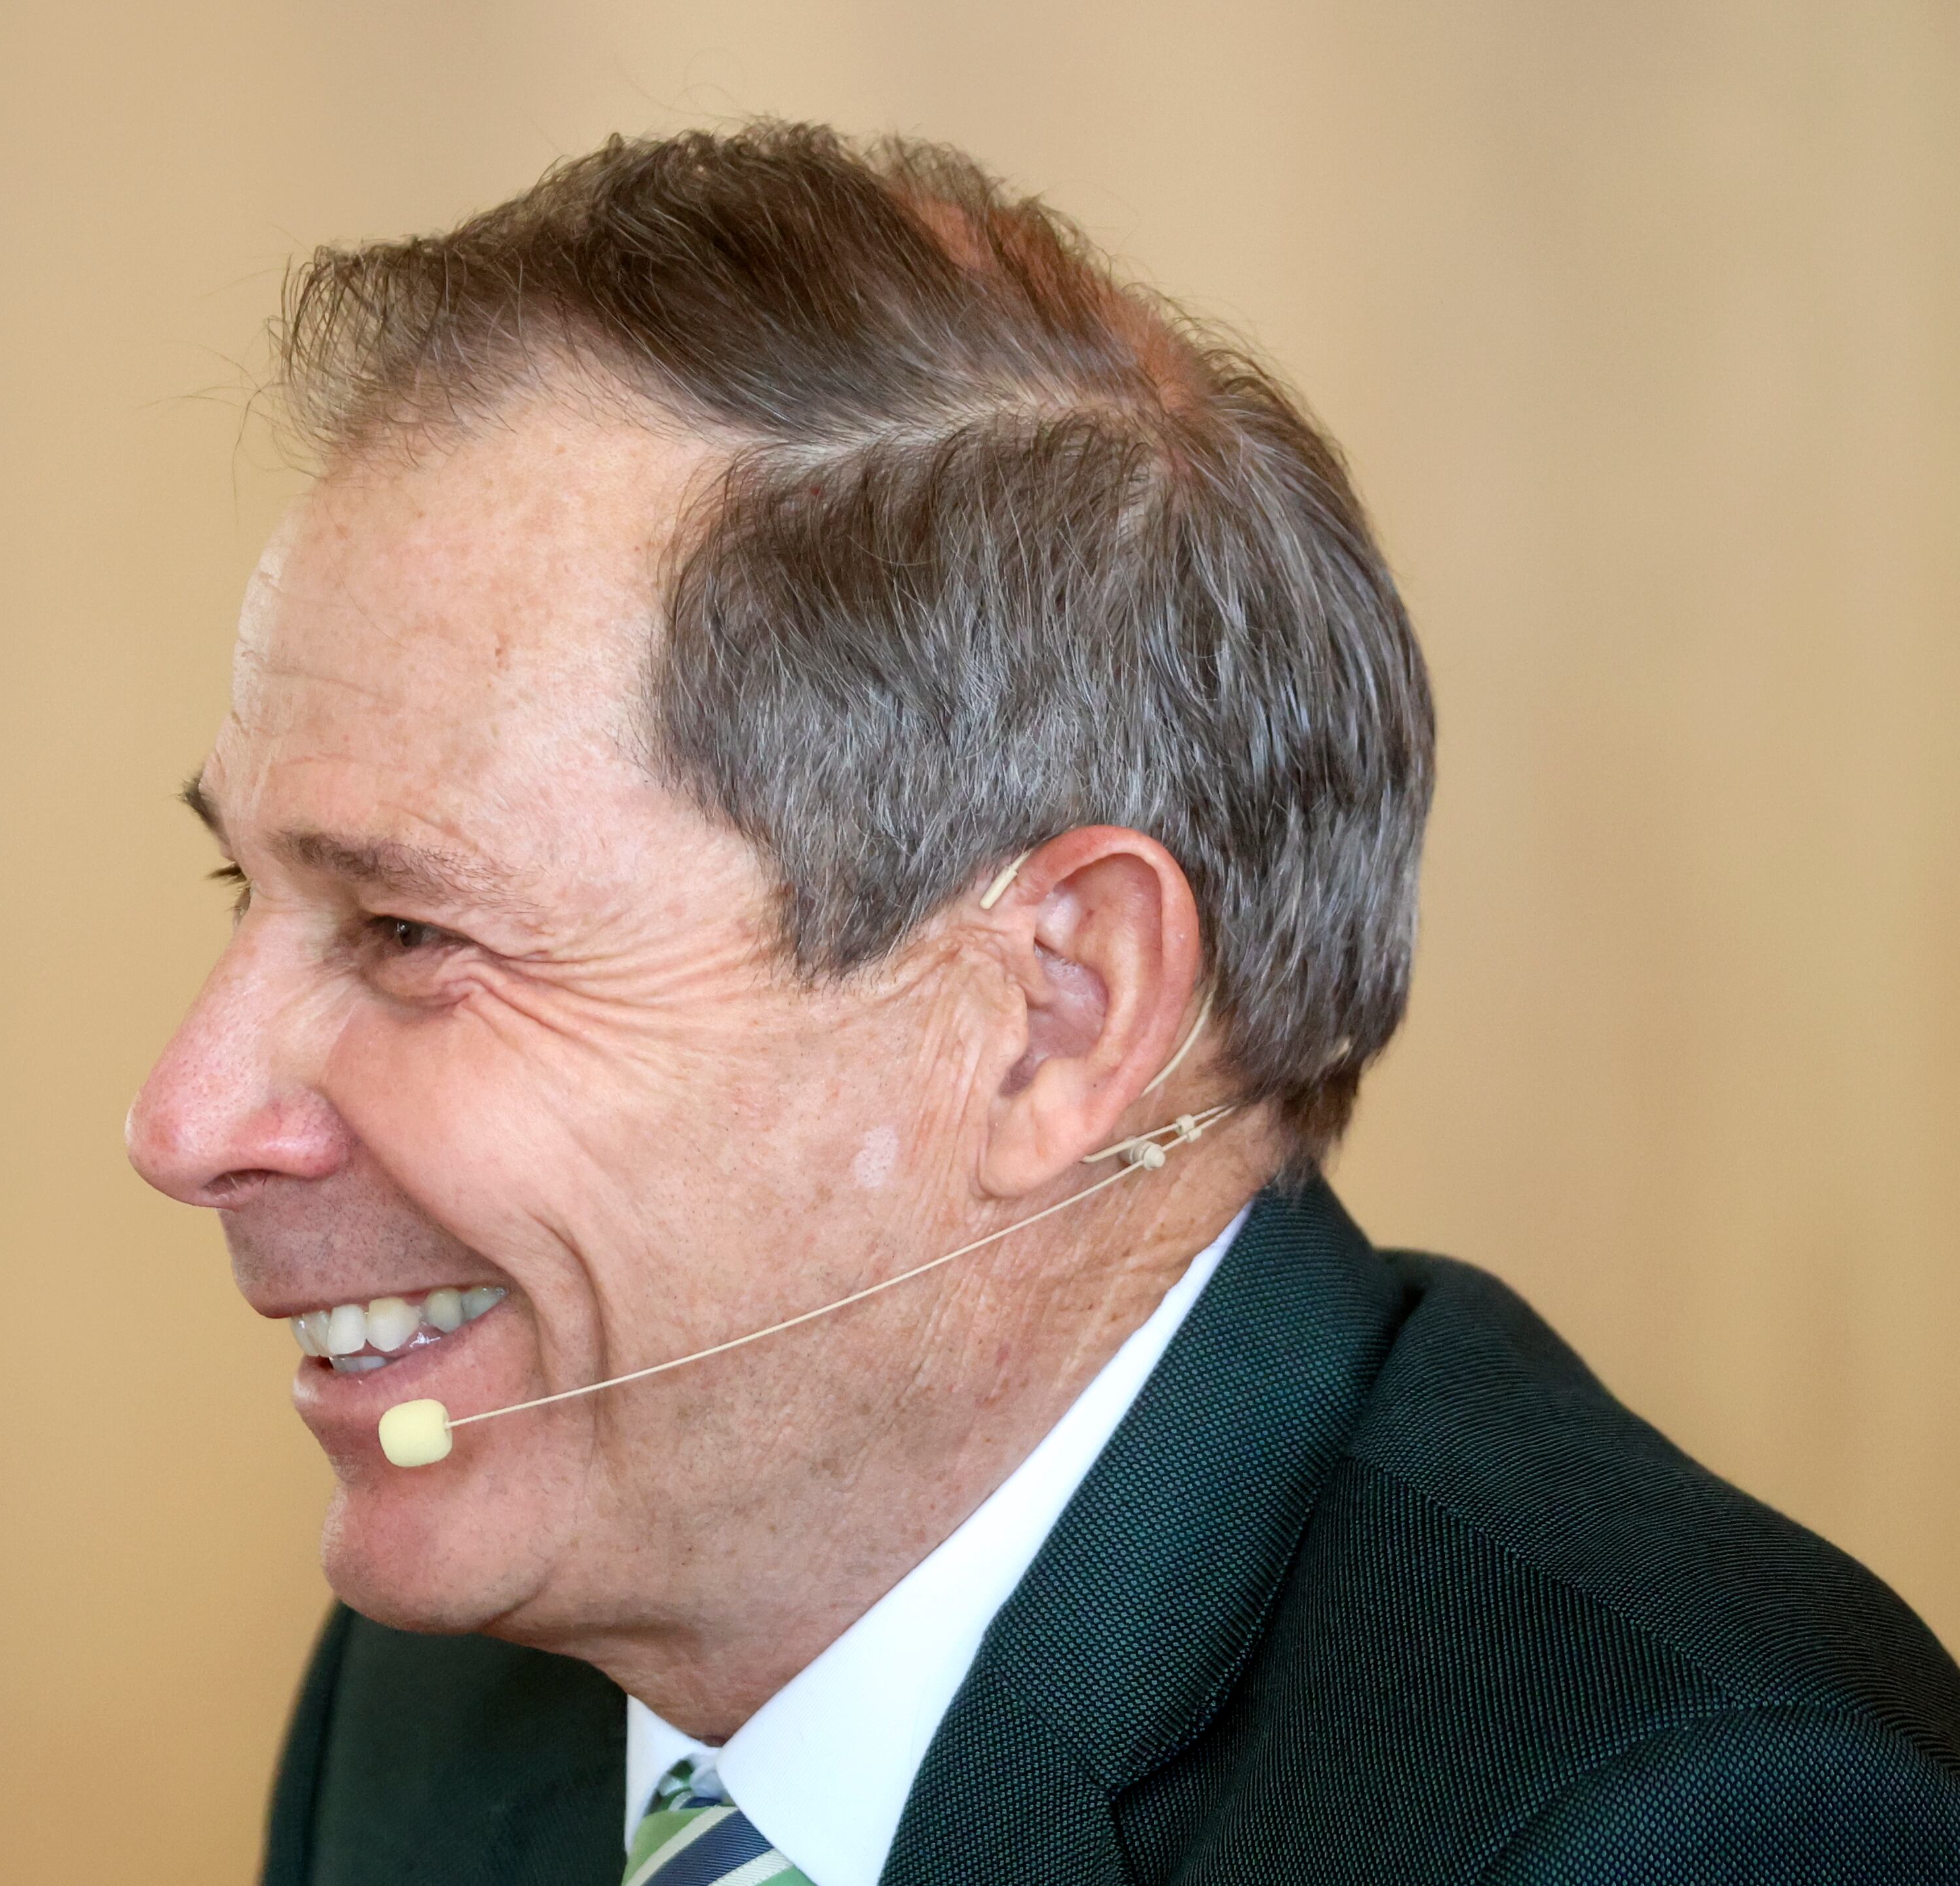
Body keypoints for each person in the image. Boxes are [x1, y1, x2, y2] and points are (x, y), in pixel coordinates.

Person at [126, 123, 1960, 1883]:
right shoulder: (454, 1674)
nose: (185, 1120)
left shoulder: (1700, 1825)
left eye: (406, 930)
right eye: (247, 886)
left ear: (1057, 1011)